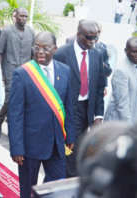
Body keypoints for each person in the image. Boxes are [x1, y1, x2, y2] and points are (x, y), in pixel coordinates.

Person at [8, 32, 75, 198]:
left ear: (55, 49)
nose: (40, 52)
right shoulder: (22, 73)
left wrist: (70, 135)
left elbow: (68, 106)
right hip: (31, 145)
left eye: (46, 48)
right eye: (36, 48)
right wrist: (16, 147)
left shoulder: (64, 70)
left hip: (56, 144)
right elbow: (15, 113)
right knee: (28, 190)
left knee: (57, 187)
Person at [54, 20, 105, 178]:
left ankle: (55, 182)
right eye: (89, 38)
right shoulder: (61, 54)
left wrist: (98, 115)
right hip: (67, 111)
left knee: (78, 152)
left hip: (86, 111)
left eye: (95, 38)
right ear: (78, 35)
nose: (92, 42)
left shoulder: (97, 54)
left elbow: (98, 86)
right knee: (71, 153)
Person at [0, 7, 35, 134]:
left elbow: (33, 53)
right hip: (10, 70)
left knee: (23, 99)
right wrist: (0, 72)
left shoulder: (31, 32)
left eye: (25, 16)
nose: (23, 19)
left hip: (26, 71)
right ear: (15, 17)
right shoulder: (7, 32)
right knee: (9, 99)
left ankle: (16, 126)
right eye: (21, 16)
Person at [105, 37, 137, 124]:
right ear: (126, 51)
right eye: (135, 52)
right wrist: (130, 129)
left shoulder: (134, 66)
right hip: (118, 125)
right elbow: (122, 105)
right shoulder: (121, 70)